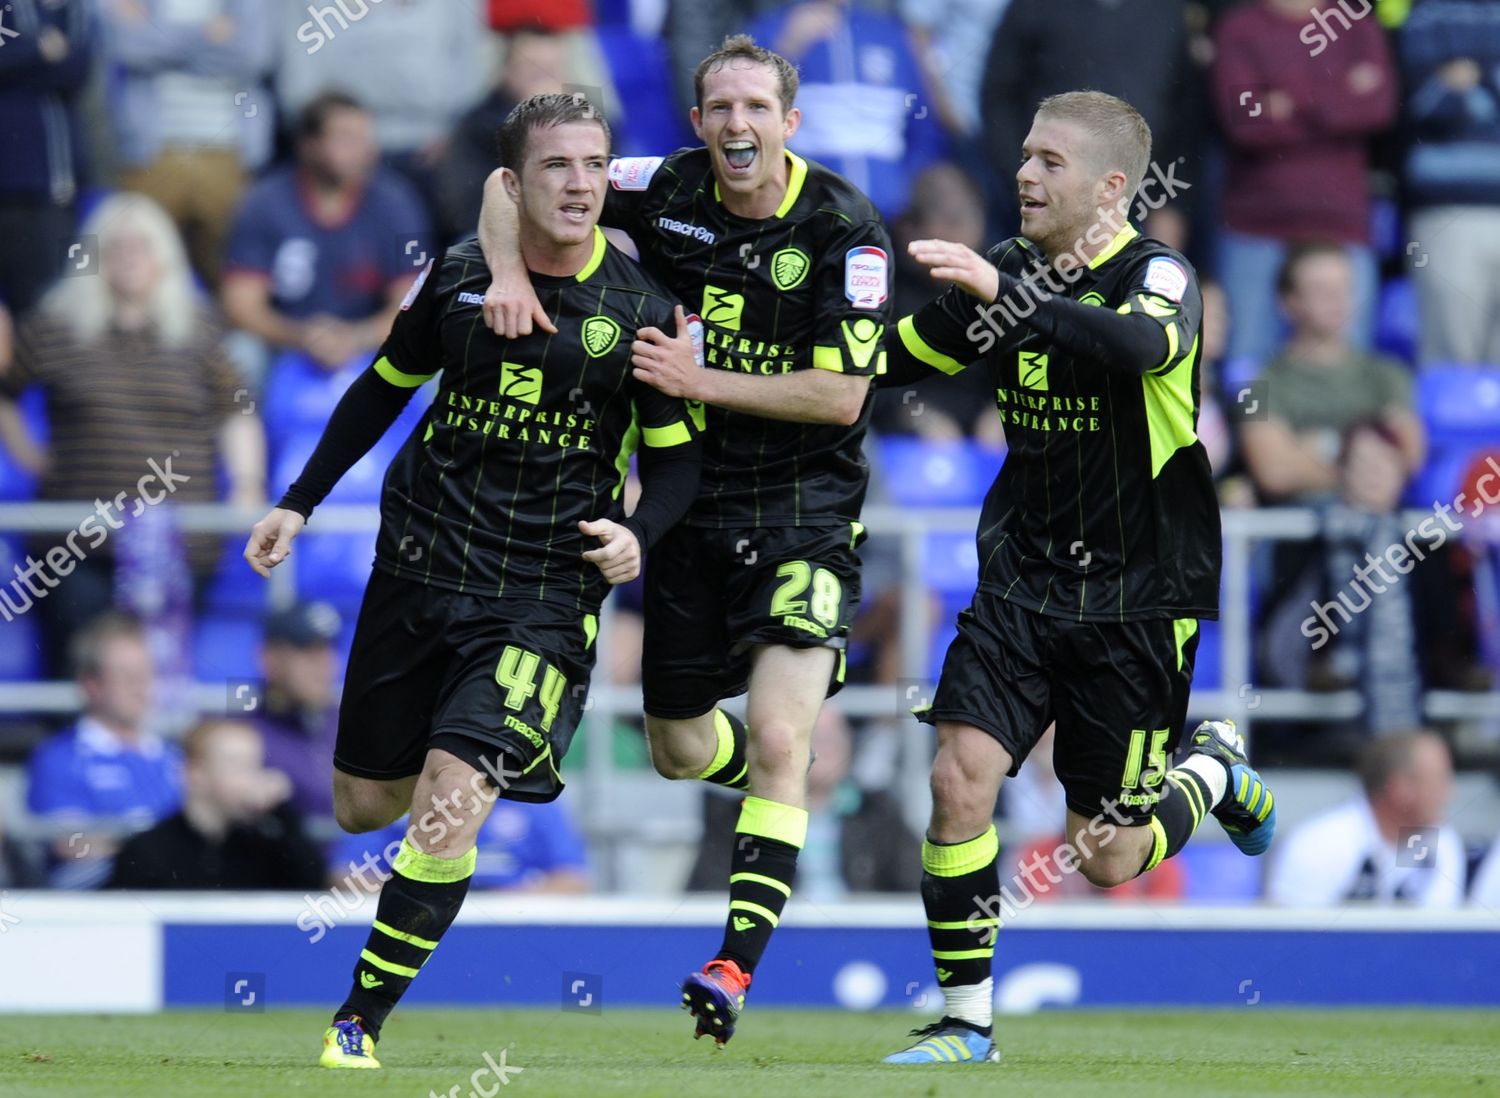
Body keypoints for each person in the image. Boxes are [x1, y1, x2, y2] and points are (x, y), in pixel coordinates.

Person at [244, 92, 701, 1070]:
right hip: (418, 572)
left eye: (593, 165)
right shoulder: (459, 279)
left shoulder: (643, 312)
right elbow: (381, 388)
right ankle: (439, 795)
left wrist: (636, 532)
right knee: (366, 808)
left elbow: (676, 461)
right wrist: (298, 500)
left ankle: (357, 1020)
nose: (579, 184)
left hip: (542, 593)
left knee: (455, 795)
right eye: (555, 167)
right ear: (514, 183)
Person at [477, 33, 893, 1047]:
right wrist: (506, 275)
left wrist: (698, 381)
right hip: (691, 508)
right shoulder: (659, 185)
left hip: (804, 515)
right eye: (721, 110)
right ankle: (775, 789)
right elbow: (507, 183)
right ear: (700, 121)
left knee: (787, 736)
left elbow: (841, 397)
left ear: (791, 122)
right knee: (678, 749)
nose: (738, 127)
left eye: (757, 108)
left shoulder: (849, 231)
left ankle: (734, 964)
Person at [874, 91, 1274, 1064]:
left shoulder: (1161, 277)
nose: (1023, 175)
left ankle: (1212, 763)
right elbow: (898, 359)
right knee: (959, 776)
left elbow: (1140, 346)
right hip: (1021, 579)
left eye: (1049, 161)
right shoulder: (1005, 270)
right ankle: (967, 1023)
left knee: (1104, 854)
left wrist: (1012, 298)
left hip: (1136, 597)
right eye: (1022, 155)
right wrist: (758, 354)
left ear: (1108, 190)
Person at [0, 192, 266, 674]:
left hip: (181, 539)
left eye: (141, 245)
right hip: (77, 541)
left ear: (164, 255)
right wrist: (29, 456)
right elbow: (6, 394)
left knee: (162, 676)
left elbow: (237, 411)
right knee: (85, 670)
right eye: (115, 246)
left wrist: (248, 483)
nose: (128, 258)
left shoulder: (198, 326)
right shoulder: (54, 325)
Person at [1211, 0, 1397, 367]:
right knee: (1249, 372)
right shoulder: (1240, 27)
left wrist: (1283, 99)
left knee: (1346, 370)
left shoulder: (1354, 21)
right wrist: (1338, 92)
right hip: (1255, 228)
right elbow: (1241, 119)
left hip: (1341, 228)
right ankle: (1255, 429)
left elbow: (1378, 107)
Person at [221, 91, 430, 373]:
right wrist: (304, 337)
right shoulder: (264, 203)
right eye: (347, 138)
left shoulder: (396, 202)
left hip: (371, 342)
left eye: (366, 138)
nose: (364, 149)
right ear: (309, 145)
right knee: (241, 351)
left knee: (431, 351)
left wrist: (357, 337)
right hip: (284, 344)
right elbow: (241, 306)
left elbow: (411, 303)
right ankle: (246, 419)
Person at [103, 0, 275, 288]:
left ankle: (224, 335)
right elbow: (127, 46)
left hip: (229, 151)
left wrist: (160, 39)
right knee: (144, 268)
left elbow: (253, 55)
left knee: (229, 271)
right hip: (152, 152)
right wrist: (207, 35)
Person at [686, 704, 921, 897]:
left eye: (836, 734)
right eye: (816, 735)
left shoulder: (879, 811)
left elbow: (913, 889)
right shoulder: (736, 817)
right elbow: (707, 896)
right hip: (776, 941)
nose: (829, 745)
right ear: (782, 748)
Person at [24, 612, 182, 889]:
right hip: (99, 901)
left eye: (146, 673)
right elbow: (70, 844)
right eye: (126, 675)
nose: (140, 686)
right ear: (91, 684)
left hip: (173, 888)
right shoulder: (59, 758)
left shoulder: (173, 755)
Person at [106, 718, 326, 890]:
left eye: (256, 765)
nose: (254, 778)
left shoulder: (266, 847)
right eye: (238, 765)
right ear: (196, 774)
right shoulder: (148, 851)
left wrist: (282, 811)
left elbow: (312, 886)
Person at [1398, 0, 1500, 367]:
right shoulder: (1427, 14)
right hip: (1448, 210)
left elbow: (1459, 94)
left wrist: (1474, 82)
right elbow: (1420, 103)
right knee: (1450, 359)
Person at [1267, 731, 1464, 906]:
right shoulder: (1317, 846)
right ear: (1401, 787)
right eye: (1439, 780)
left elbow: (1437, 938)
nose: (1449, 794)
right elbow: (1293, 941)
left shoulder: (1442, 843)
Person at [0, 0, 97, 316]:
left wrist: (18, 58)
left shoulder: (76, 10)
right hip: (14, 182)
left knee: (49, 306)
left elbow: (77, 68)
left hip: (53, 190)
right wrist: (39, 50)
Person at [330, 798, 589, 895]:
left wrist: (507, 905)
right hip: (415, 921)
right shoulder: (400, 802)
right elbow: (348, 875)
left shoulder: (533, 801)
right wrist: (422, 902)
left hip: (508, 922)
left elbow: (573, 878)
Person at [252, 601, 343, 822]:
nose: (324, 663)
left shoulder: (347, 723)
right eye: (308, 651)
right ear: (269, 659)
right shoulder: (244, 735)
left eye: (329, 649)